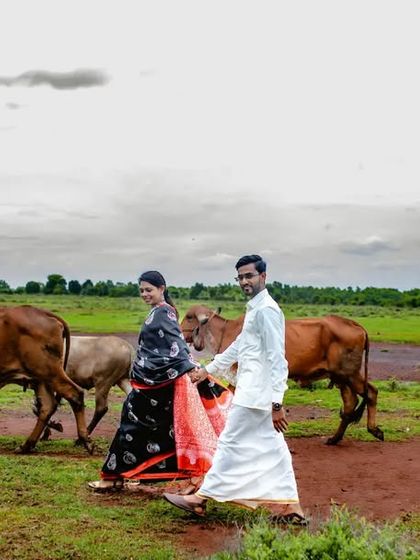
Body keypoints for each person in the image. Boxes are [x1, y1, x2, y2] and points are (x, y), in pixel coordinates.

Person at [164, 255, 306, 524]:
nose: (244, 281)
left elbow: (278, 358)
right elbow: (240, 346)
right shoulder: (256, 308)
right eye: (240, 277)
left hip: (257, 395)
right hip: (253, 392)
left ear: (263, 276)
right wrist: (208, 369)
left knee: (229, 443)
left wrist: (277, 403)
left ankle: (200, 499)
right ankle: (292, 508)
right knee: (273, 447)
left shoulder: (267, 311)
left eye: (249, 276)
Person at [88, 270, 231, 492]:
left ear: (161, 289)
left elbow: (176, 347)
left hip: (156, 383)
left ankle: (112, 477)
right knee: (157, 429)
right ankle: (130, 476)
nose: (144, 294)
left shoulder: (164, 313)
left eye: (149, 290)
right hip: (153, 380)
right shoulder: (161, 311)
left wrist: (191, 367)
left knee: (131, 425)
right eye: (142, 290)